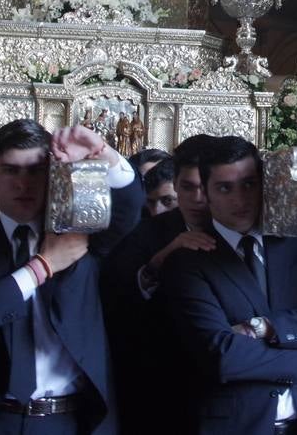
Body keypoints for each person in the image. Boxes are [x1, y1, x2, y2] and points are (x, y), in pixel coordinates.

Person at [0, 119, 143, 435]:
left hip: (70, 418)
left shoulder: (75, 223)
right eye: (11, 170)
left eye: (36, 170)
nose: (23, 183)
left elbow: (128, 206)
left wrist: (103, 152)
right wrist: (41, 267)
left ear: (53, 175)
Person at [161, 136, 297, 435]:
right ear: (207, 195)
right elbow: (223, 357)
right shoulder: (189, 262)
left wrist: (265, 327)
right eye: (225, 188)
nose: (240, 200)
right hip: (236, 425)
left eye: (249, 184)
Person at [103, 134, 218, 435]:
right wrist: (159, 262)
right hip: (158, 384)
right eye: (187, 188)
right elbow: (117, 298)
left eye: (204, 188)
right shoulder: (145, 233)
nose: (196, 199)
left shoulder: (244, 232)